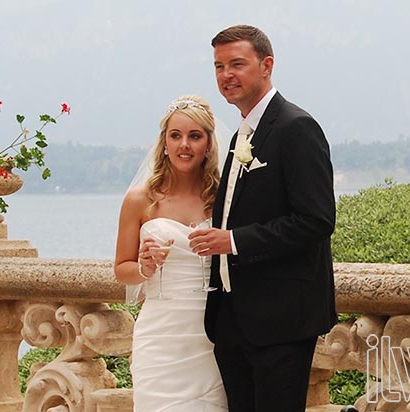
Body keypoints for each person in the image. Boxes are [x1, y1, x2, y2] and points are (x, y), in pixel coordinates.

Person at [188, 25, 337, 412]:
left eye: (237, 64)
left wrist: (234, 241)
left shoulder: (295, 127)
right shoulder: (242, 135)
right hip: (233, 320)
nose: (226, 76)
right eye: (219, 66)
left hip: (281, 320)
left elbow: (316, 220)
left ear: (266, 65)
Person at [114, 95, 228, 411]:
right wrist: (144, 267)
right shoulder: (139, 199)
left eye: (194, 136)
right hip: (160, 335)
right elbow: (122, 268)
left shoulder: (221, 198)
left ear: (208, 143)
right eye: (175, 135)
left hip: (210, 334)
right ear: (164, 142)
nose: (184, 145)